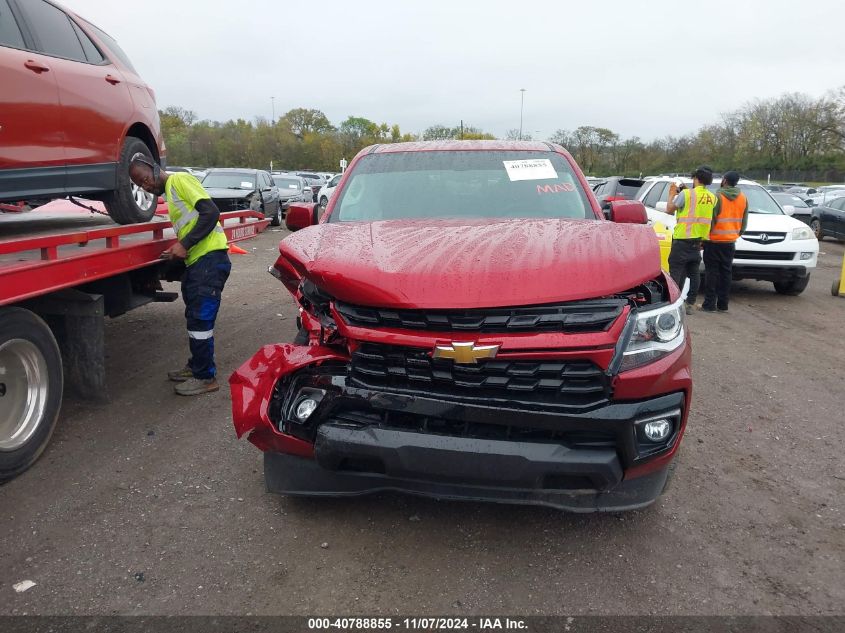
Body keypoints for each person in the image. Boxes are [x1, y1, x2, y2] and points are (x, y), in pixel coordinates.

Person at [128, 154, 231, 396]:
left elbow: (210, 212)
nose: (146, 186)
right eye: (140, 185)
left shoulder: (179, 181)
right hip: (200, 261)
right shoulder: (171, 194)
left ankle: (205, 376)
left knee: (200, 320)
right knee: (194, 316)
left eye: (145, 179)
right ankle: (197, 365)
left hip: (210, 259)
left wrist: (184, 244)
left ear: (155, 169)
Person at [666, 166, 717, 315]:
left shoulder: (687, 194)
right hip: (698, 242)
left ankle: (672, 304)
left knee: (675, 273)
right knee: (694, 274)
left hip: (682, 240)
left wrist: (671, 195)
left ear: (696, 179)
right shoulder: (712, 198)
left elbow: (669, 209)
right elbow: (698, 204)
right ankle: (690, 303)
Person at [701, 171, 748, 312]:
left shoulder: (718, 197)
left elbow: (712, 219)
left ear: (725, 180)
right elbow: (744, 222)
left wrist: (705, 237)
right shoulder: (743, 198)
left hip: (714, 241)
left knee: (711, 273)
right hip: (730, 242)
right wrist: (736, 234)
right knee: (726, 273)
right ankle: (723, 304)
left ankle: (709, 304)